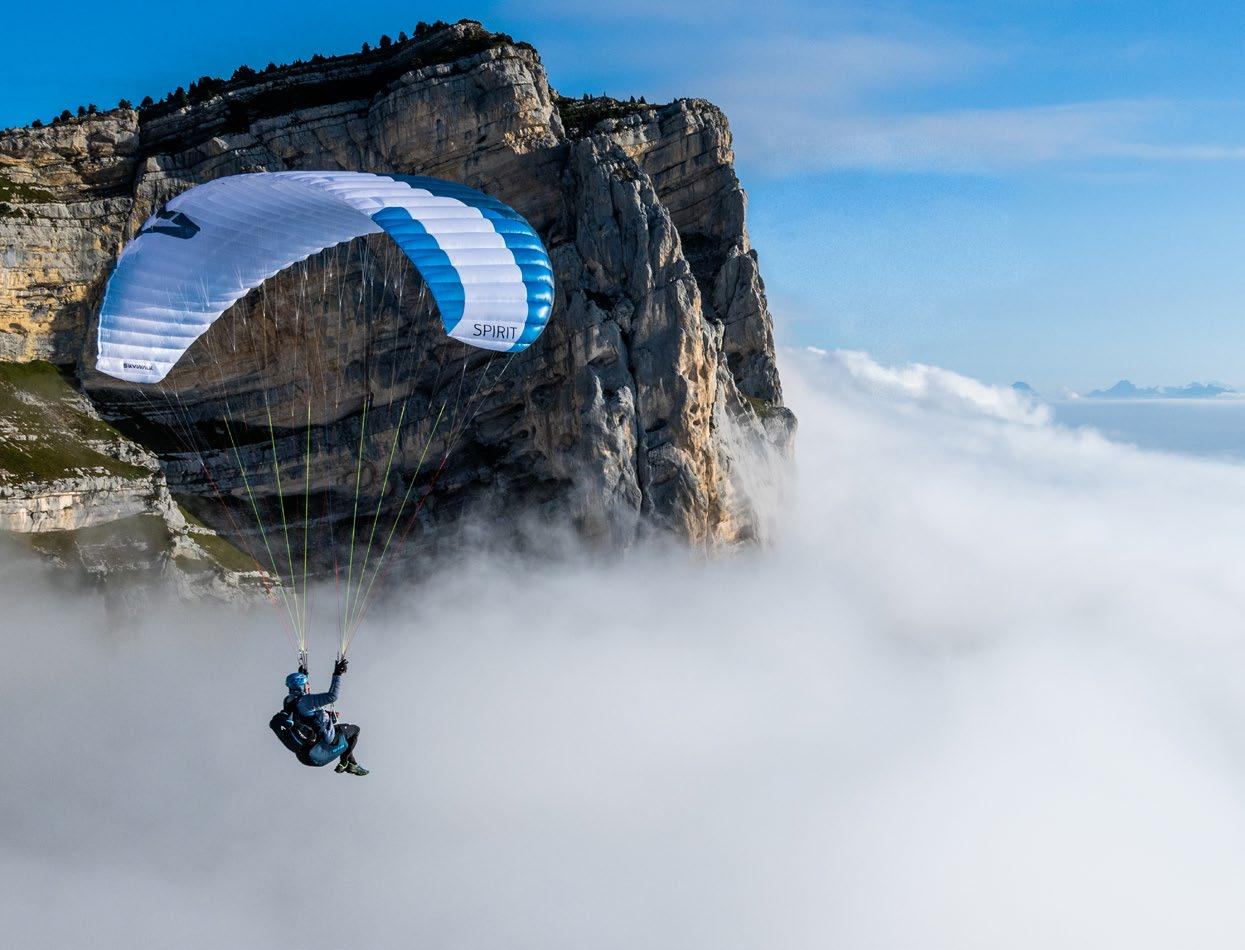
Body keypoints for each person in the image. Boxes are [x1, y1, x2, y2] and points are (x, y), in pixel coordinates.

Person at [282, 657, 368, 776]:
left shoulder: (289, 701)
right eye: (306, 683)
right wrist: (337, 674)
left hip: (309, 748)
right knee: (354, 730)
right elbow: (332, 696)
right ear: (302, 686)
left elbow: (306, 714)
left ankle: (351, 764)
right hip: (325, 743)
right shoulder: (306, 701)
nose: (308, 685)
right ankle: (344, 762)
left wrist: (327, 714)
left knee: (344, 733)